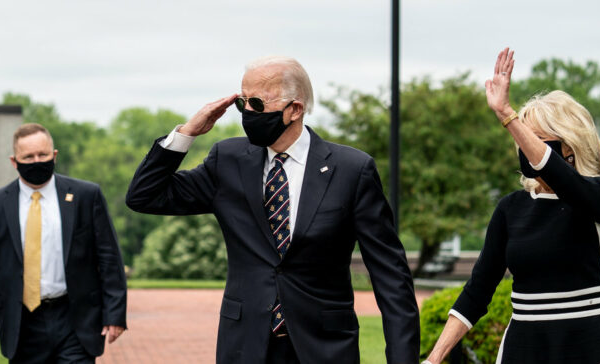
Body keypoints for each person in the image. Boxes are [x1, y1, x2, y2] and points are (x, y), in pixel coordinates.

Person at [126, 56, 420, 364]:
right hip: (245, 345)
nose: (248, 112)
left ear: (294, 109)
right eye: (243, 103)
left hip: (324, 347)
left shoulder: (351, 170)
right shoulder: (227, 161)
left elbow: (391, 277)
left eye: (257, 103)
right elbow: (144, 196)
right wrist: (187, 133)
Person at [422, 48, 600, 364]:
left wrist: (507, 115)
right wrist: (434, 358)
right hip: (526, 348)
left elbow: (562, 178)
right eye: (522, 139)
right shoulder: (511, 209)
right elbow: (477, 290)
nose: (524, 148)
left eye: (535, 139)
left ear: (569, 146)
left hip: (593, 346)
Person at [0, 123, 127, 363]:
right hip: (22, 324)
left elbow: (108, 257)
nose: (37, 161)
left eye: (42, 154)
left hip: (75, 319)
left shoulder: (85, 196)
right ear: (14, 161)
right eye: (28, 156)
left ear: (54, 155)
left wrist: (115, 314)